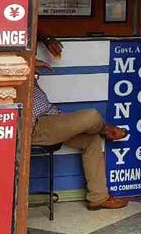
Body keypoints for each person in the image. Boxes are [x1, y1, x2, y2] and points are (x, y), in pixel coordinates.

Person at [32, 32, 129, 210]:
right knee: (92, 115)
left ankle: (98, 197)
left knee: (90, 140)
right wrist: (28, 65)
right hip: (34, 126)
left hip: (52, 118)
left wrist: (46, 39)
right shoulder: (4, 62)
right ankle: (106, 130)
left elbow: (34, 26)